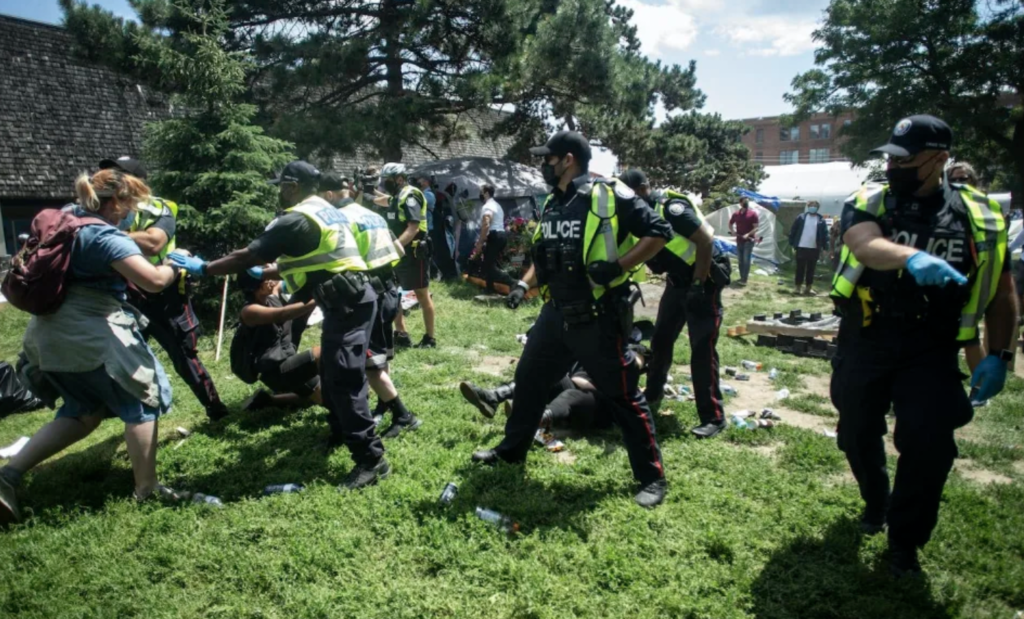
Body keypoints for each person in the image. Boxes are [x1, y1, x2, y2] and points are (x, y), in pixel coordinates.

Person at [830, 115, 1016, 577]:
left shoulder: (981, 216)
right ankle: (877, 500)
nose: (893, 166)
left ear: (937, 159)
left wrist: (1000, 355)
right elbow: (864, 244)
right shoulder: (871, 200)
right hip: (868, 336)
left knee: (929, 444)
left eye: (904, 158)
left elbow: (1000, 289)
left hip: (931, 346)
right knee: (855, 429)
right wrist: (911, 256)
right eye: (890, 157)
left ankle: (904, 543)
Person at [472, 130, 672, 508]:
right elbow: (545, 255)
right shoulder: (552, 203)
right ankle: (512, 450)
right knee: (528, 380)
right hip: (554, 314)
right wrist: (522, 284)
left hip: (597, 318)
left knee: (624, 395)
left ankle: (652, 478)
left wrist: (616, 267)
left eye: (548, 158)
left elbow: (659, 232)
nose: (543, 164)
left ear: (568, 160)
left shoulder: (607, 193)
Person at [171, 160, 391, 490]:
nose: (279, 193)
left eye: (281, 187)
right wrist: (268, 274)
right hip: (348, 300)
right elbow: (312, 258)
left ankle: (371, 460)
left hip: (349, 304)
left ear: (291, 186)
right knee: (332, 374)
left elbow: (247, 256)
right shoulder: (324, 209)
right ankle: (339, 432)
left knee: (345, 378)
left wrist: (204, 268)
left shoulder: (296, 218)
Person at [0, 170, 182, 524]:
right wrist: (175, 266)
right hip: (89, 333)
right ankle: (147, 489)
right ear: (115, 202)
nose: (131, 213)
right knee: (143, 399)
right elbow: (154, 281)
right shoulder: (103, 236)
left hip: (46, 334)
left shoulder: (65, 217)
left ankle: (7, 476)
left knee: (83, 411)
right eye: (130, 205)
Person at [99, 157, 230, 421]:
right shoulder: (102, 210)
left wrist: (102, 234)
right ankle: (130, 414)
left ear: (136, 181)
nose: (111, 178)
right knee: (123, 356)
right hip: (124, 296)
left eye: (119, 174)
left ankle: (215, 409)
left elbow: (154, 242)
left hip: (165, 294)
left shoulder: (159, 208)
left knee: (183, 354)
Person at [622, 173, 730, 439]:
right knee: (661, 340)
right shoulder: (641, 217)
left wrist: (697, 284)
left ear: (644, 188)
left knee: (702, 348)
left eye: (632, 194)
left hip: (702, 281)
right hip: (677, 283)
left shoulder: (671, 208)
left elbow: (705, 240)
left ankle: (713, 417)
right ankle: (654, 393)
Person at [330, 181, 422, 438]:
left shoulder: (339, 220)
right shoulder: (374, 215)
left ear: (329, 195)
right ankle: (384, 403)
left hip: (367, 294)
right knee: (380, 356)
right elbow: (399, 249)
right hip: (390, 289)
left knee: (370, 364)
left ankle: (403, 415)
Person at [235, 272, 323, 411]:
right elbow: (284, 314)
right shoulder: (250, 311)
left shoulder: (270, 295)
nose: (271, 281)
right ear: (255, 287)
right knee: (323, 353)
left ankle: (268, 400)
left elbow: (285, 279)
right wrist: (321, 297)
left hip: (288, 360)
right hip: (275, 373)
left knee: (323, 396)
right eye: (266, 279)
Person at [379, 163, 437, 349]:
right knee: (392, 291)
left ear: (399, 179)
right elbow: (384, 201)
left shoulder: (411, 195)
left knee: (422, 294)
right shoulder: (397, 195)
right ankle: (401, 333)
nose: (384, 183)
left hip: (413, 253)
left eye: (387, 180)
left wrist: (394, 247)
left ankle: (430, 338)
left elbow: (413, 228)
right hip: (398, 252)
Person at [472, 183, 516, 293]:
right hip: (501, 235)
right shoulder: (497, 205)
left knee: (488, 265)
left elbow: (486, 223)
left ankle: (512, 282)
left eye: (481, 192)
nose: (480, 194)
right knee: (490, 263)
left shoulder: (488, 206)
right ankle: (489, 288)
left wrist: (480, 242)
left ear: (486, 193)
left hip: (495, 236)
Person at [788, 200, 829, 295]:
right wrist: (792, 243)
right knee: (800, 268)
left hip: (814, 248)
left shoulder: (821, 220)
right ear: (808, 206)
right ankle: (797, 287)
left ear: (817, 208)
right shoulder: (801, 217)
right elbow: (793, 230)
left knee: (811, 269)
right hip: (801, 246)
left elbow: (825, 235)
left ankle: (808, 288)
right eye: (811, 205)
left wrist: (825, 248)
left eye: (815, 206)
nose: (813, 207)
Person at [728, 196, 759, 285]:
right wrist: (733, 231)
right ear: (740, 203)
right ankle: (742, 277)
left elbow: (756, 228)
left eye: (747, 201)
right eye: (745, 201)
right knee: (740, 260)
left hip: (749, 241)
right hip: (739, 240)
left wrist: (748, 234)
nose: (746, 203)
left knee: (746, 260)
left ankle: (744, 280)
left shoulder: (753, 214)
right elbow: (730, 224)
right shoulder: (736, 214)